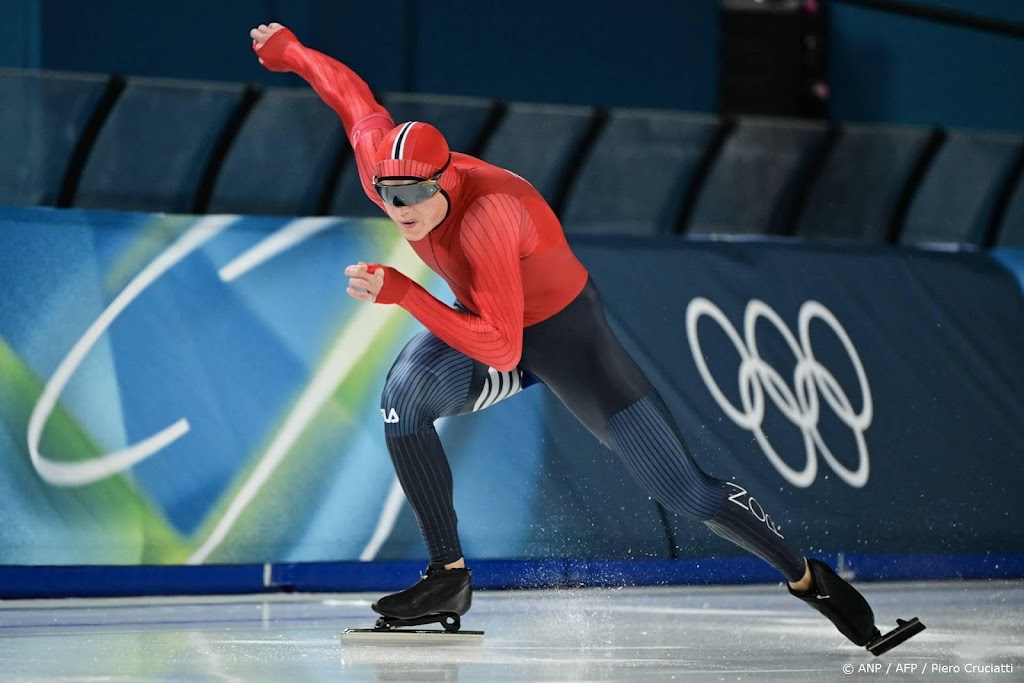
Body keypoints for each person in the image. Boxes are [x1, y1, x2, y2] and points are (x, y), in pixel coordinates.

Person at [248, 22, 909, 650]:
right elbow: (352, 98)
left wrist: (406, 292)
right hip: (487, 317)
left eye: (415, 195)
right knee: (403, 396)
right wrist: (291, 50)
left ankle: (807, 578)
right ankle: (447, 576)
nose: (402, 212)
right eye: (389, 197)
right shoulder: (387, 171)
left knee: (686, 494)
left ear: (446, 177)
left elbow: (504, 349)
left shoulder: (489, 216)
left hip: (565, 337)